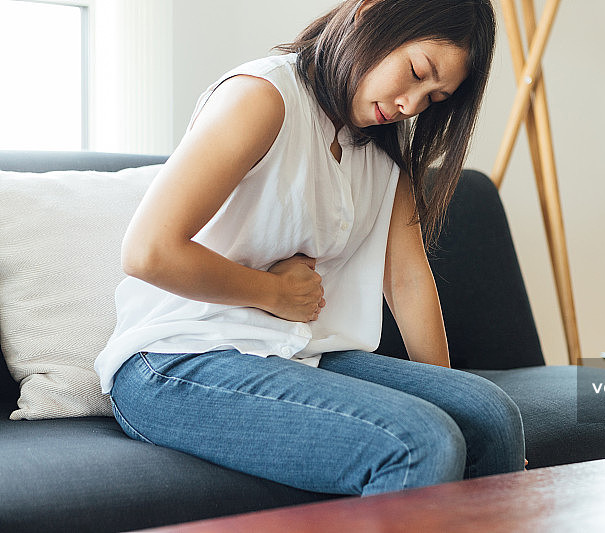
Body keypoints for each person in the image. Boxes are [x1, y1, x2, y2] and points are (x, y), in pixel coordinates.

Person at [96, 0, 525, 496]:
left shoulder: (381, 148)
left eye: (434, 97)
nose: (411, 104)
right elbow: (148, 251)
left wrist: (450, 398)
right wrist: (272, 293)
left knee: (489, 414)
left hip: (295, 351)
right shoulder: (264, 97)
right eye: (415, 72)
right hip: (177, 356)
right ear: (369, 14)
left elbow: (406, 280)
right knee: (416, 442)